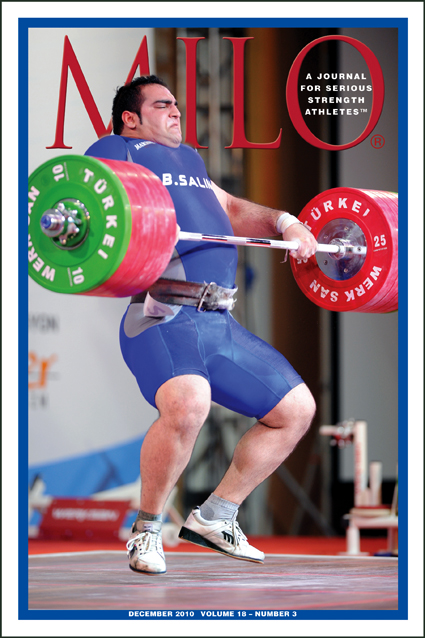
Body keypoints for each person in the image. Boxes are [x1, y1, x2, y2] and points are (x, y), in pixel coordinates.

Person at [85, 75, 317, 575]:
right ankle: (147, 530)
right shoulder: (116, 148)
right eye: (162, 104)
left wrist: (286, 222)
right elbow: (96, 199)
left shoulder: (187, 160)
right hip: (163, 315)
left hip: (219, 323)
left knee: (295, 409)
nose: (176, 111)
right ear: (131, 117)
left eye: (176, 104)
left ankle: (217, 515)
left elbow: (231, 209)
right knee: (189, 405)